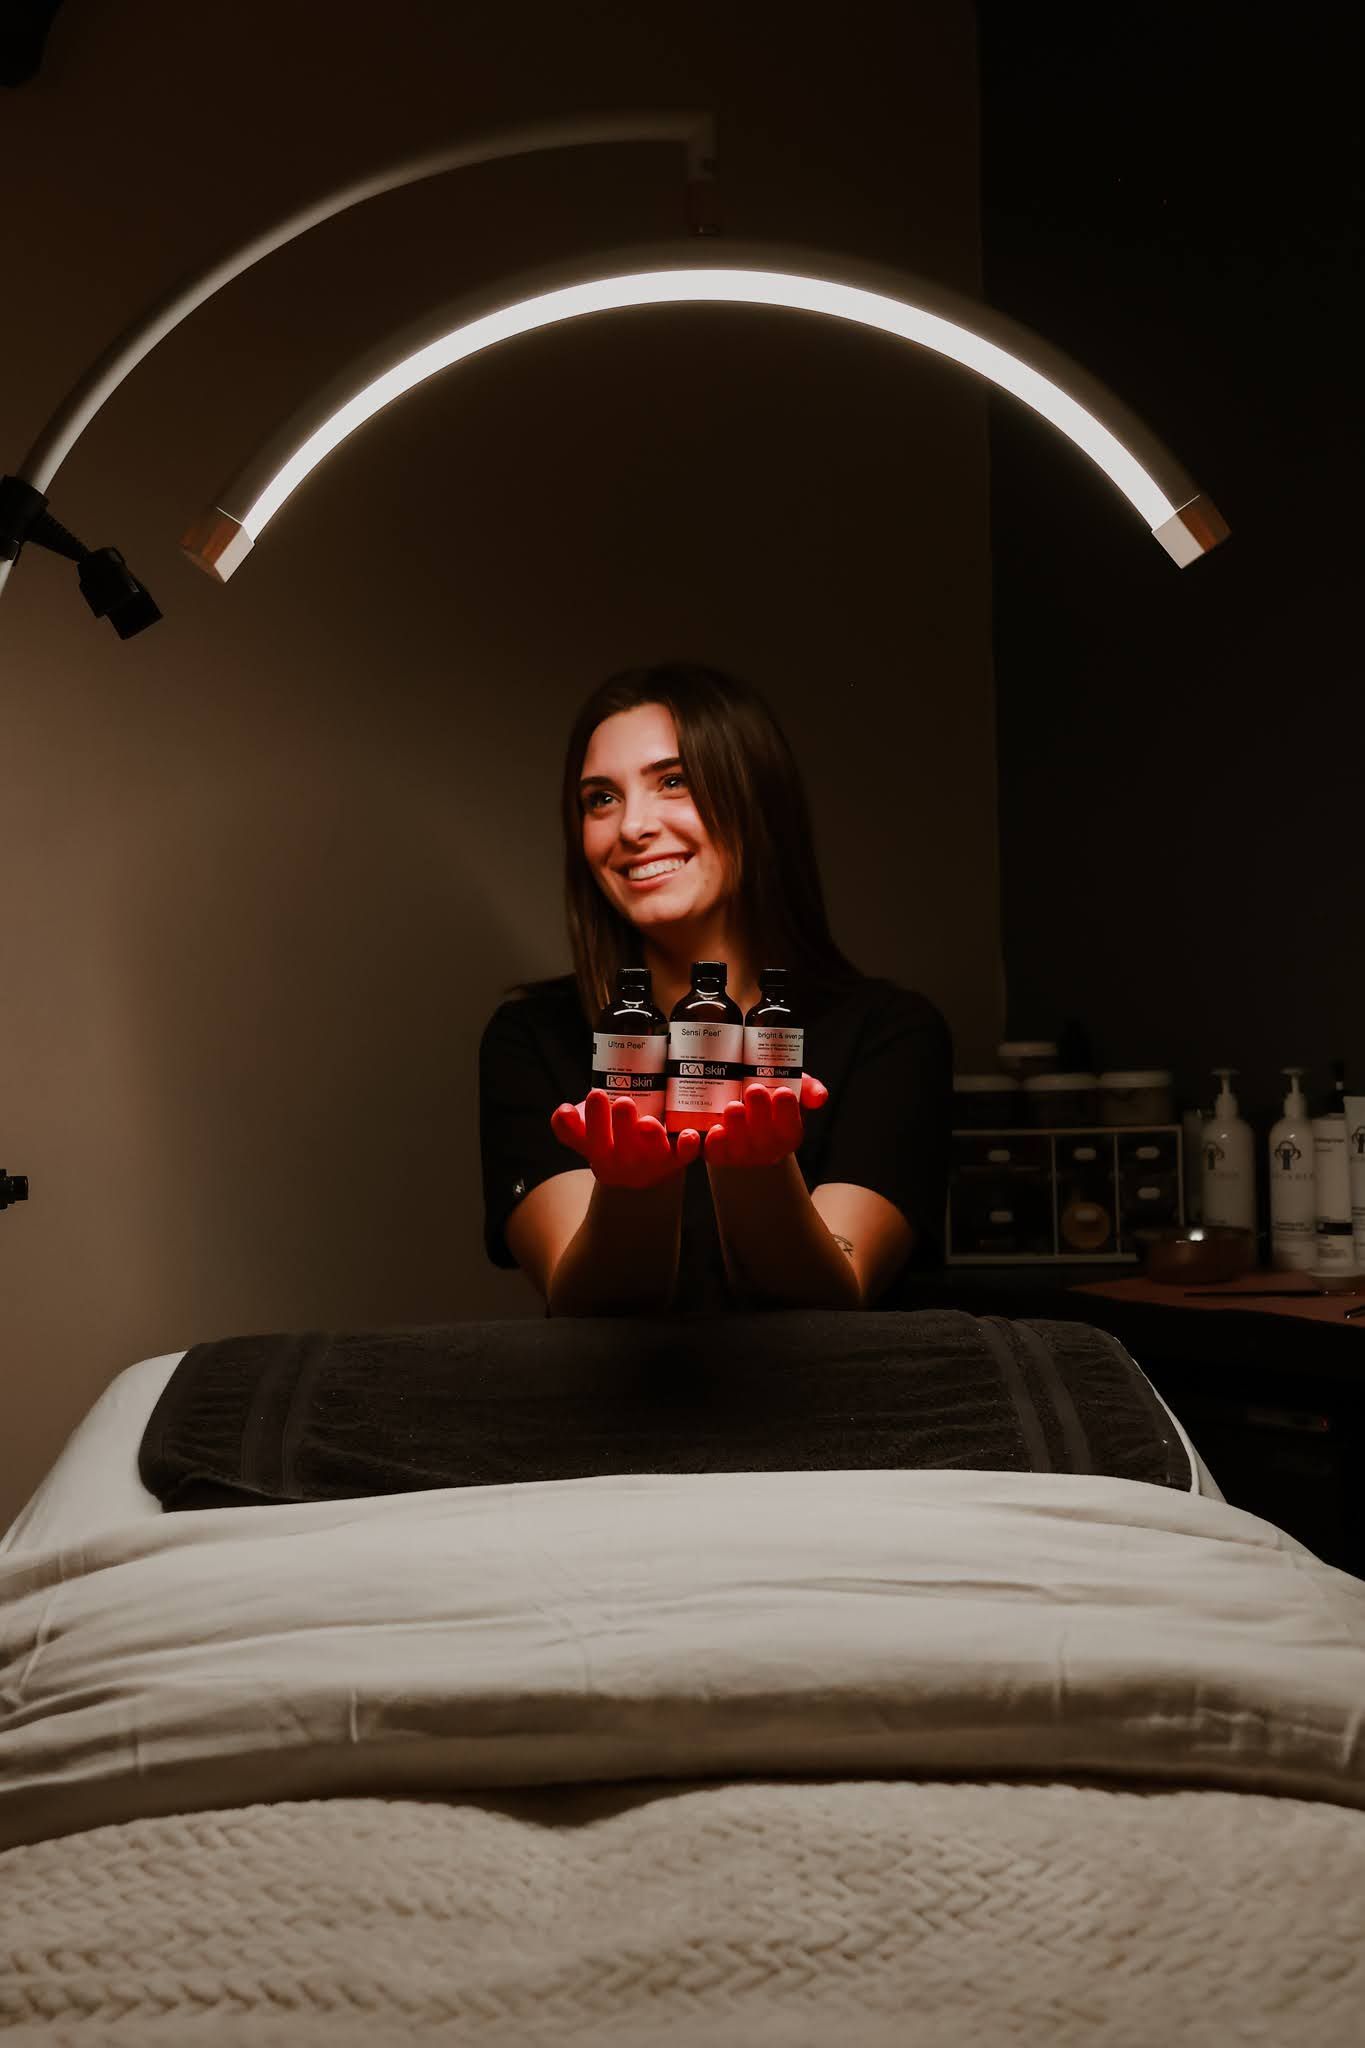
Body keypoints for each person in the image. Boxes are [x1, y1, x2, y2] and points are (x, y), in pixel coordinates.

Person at [479, 662, 952, 1315]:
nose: (631, 827)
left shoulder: (891, 1033)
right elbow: (586, 1302)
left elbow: (835, 1293)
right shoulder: (532, 1037)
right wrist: (634, 1185)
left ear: (755, 798)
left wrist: (753, 1170)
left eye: (673, 782)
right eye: (600, 799)